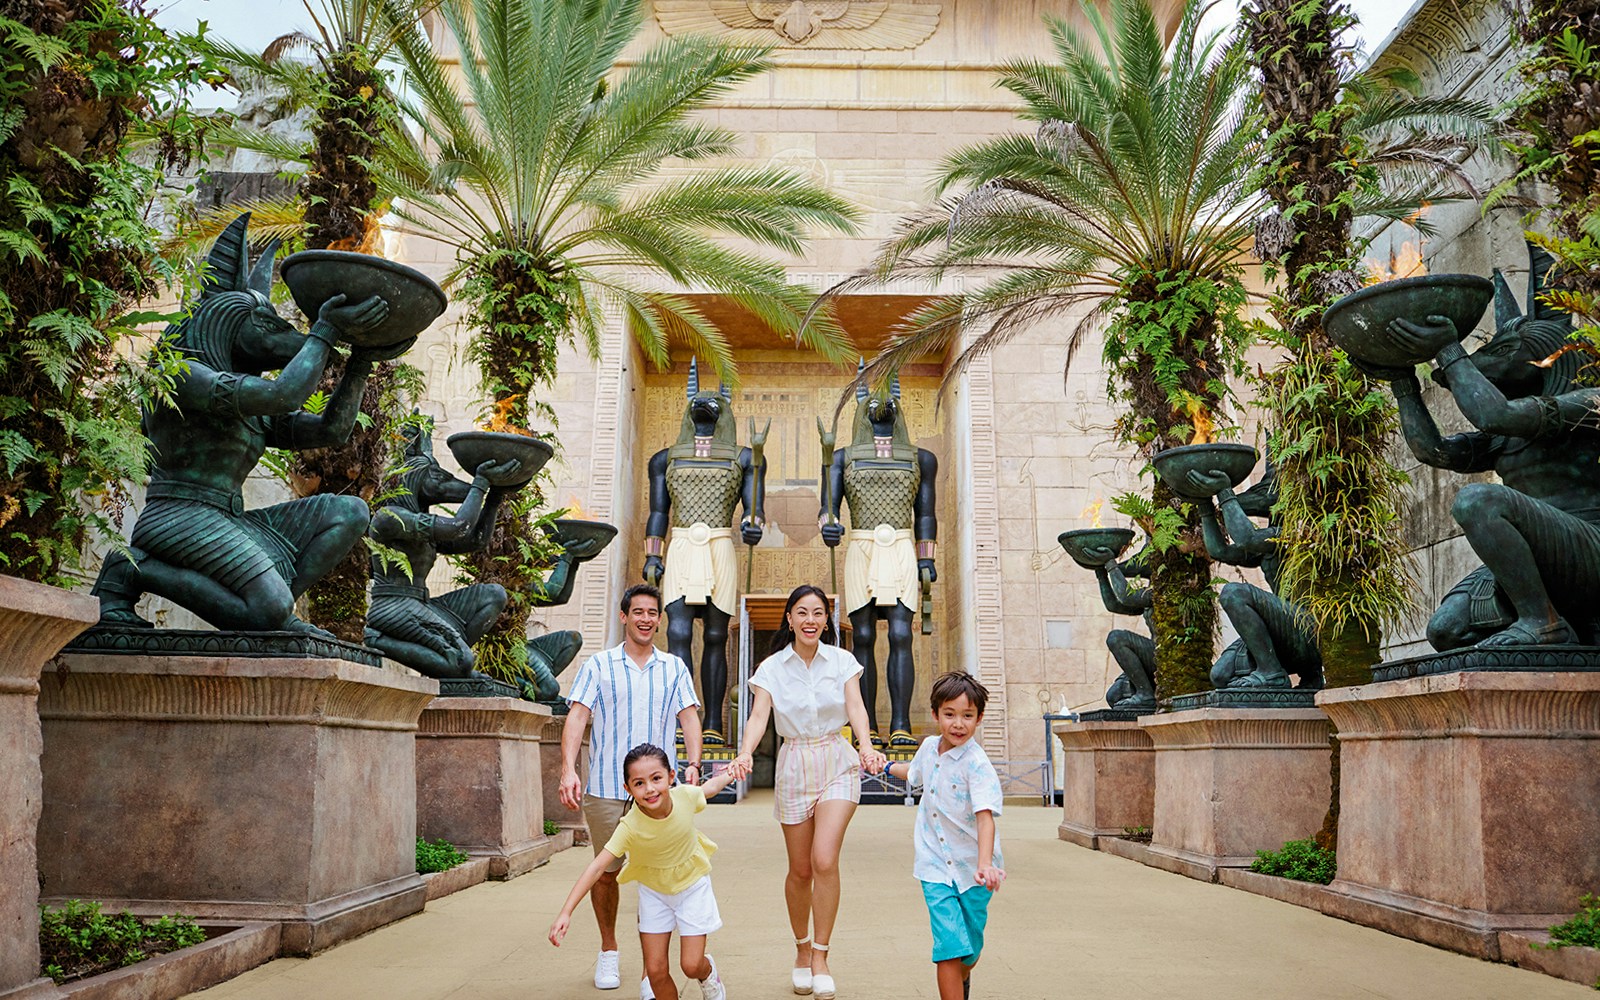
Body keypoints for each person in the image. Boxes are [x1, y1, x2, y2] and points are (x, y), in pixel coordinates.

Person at [729, 584, 889, 999]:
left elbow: (856, 707)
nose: (810, 620)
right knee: (800, 870)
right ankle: (801, 950)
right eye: (802, 612)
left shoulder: (843, 661)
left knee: (823, 859)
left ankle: (821, 955)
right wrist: (744, 753)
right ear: (790, 618)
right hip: (795, 763)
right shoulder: (771, 668)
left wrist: (866, 746)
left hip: (837, 760)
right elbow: (759, 714)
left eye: (818, 613)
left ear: (827, 620)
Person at [559, 584, 704, 996]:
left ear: (659, 619)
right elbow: (577, 717)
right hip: (607, 787)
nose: (645, 619)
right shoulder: (598, 666)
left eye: (652, 613)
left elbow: (689, 718)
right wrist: (568, 769)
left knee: (656, 879)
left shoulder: (674, 667)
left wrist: (692, 765)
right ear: (623, 617)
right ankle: (608, 948)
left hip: (659, 793)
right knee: (606, 875)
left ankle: (651, 972)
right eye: (637, 612)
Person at [551, 744, 736, 1000]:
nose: (649, 789)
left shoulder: (684, 796)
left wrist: (734, 770)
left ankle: (709, 974)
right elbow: (597, 867)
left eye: (656, 779)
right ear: (628, 789)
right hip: (655, 894)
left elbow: (711, 788)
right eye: (639, 783)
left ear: (671, 776)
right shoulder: (630, 826)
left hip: (692, 886)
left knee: (691, 965)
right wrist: (566, 911)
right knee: (655, 972)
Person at [879, 672, 1006, 1000]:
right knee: (949, 946)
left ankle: (964, 975)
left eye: (967, 716)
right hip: (934, 865)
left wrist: (984, 865)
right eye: (950, 714)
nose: (958, 724)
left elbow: (985, 818)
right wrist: (884, 766)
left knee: (969, 950)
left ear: (979, 718)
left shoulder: (978, 765)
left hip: (974, 872)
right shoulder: (928, 748)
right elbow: (915, 773)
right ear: (935, 714)